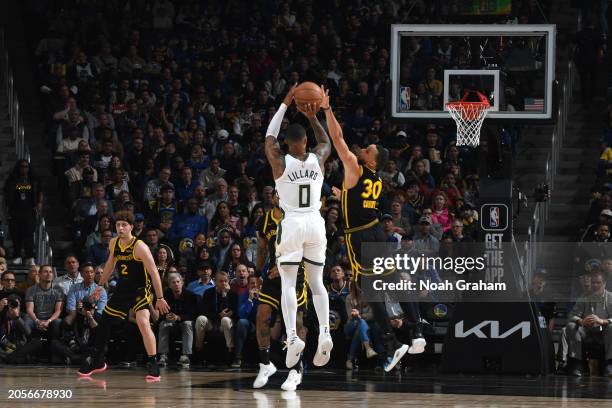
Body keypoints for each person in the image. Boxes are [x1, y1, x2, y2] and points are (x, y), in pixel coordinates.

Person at [323, 93, 425, 373]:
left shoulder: (356, 168)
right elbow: (354, 198)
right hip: (376, 232)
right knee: (392, 282)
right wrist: (340, 194)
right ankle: (416, 333)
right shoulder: (376, 178)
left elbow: (337, 138)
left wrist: (327, 109)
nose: (362, 149)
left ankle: (392, 345)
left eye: (367, 149)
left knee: (374, 292)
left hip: (361, 237)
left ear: (371, 160)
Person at [264, 84, 332, 370]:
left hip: (291, 223)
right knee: (317, 283)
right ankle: (326, 332)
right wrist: (314, 115)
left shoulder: (279, 161)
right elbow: (326, 140)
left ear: (288, 142)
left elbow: (268, 137)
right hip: (316, 223)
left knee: (289, 283)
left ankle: (292, 337)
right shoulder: (319, 157)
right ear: (305, 141)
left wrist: (285, 103)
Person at [78, 210, 170, 381]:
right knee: (105, 320)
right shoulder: (113, 243)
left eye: (124, 225)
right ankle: (98, 361)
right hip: (123, 287)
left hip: (140, 288)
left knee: (143, 322)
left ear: (131, 227)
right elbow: (110, 265)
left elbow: (154, 273)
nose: (120, 228)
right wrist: (99, 286)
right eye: (118, 225)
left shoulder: (140, 246)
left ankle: (153, 363)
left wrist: (160, 297)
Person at [253, 192, 308, 390]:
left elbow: (306, 249)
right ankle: (265, 364)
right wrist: (257, 273)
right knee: (261, 316)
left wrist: (285, 263)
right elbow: (262, 250)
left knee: (296, 321)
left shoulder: (298, 217)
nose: (279, 194)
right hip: (273, 275)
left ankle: (296, 370)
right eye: (276, 191)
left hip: (296, 272)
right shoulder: (264, 220)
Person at [564, 271, 612, 377]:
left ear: (604, 283)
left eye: (598, 283)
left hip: (604, 332)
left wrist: (602, 321)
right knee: (571, 326)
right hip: (587, 332)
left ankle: (610, 364)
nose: (595, 285)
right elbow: (572, 314)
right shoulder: (585, 297)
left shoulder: (610, 297)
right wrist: (581, 321)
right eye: (593, 283)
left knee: (611, 327)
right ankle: (577, 363)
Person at [3, 160, 43, 266]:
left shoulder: (33, 180)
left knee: (29, 234)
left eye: (26, 166)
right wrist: (6, 210)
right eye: (22, 166)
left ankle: (30, 256)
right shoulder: (12, 180)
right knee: (16, 234)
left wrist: (39, 202)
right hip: (15, 210)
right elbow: (6, 194)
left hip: (29, 211)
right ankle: (17, 256)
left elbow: (39, 191)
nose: (24, 168)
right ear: (18, 167)